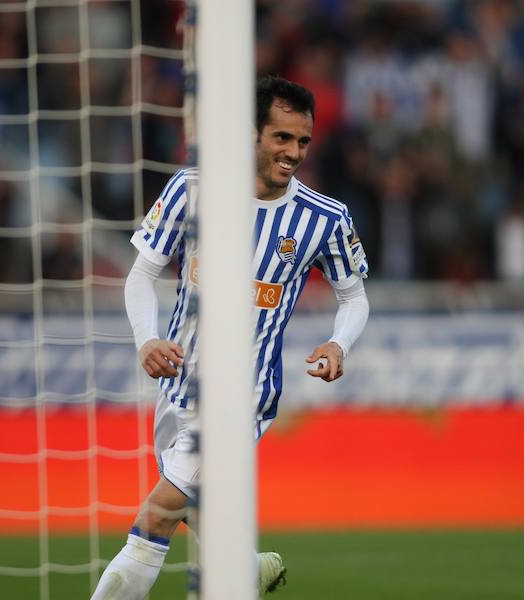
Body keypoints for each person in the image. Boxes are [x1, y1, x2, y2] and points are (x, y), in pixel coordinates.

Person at [91, 76, 370, 599]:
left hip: (243, 398)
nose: (293, 153)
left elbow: (354, 298)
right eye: (281, 137)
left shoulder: (324, 218)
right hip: (178, 387)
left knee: (155, 516)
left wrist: (339, 344)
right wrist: (147, 339)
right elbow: (140, 274)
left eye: (303, 141)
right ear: (252, 133)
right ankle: (246, 570)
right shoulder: (192, 189)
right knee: (195, 515)